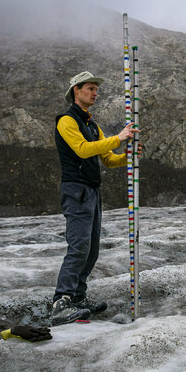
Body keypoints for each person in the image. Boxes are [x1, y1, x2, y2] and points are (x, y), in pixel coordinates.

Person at [51, 71, 141, 326]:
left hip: (91, 190)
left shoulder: (92, 125)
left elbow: (109, 159)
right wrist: (119, 138)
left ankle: (78, 297)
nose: (95, 92)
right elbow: (82, 149)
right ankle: (61, 302)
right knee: (79, 246)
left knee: (91, 249)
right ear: (76, 90)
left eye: (95, 89)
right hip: (76, 189)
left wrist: (129, 156)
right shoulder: (67, 121)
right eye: (90, 88)